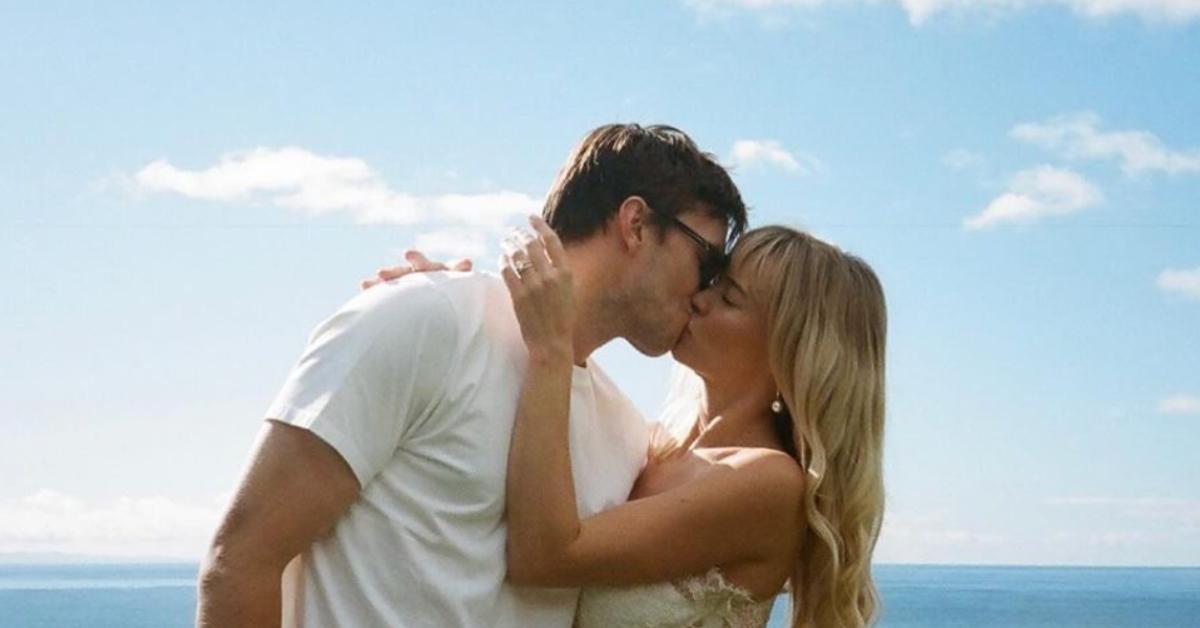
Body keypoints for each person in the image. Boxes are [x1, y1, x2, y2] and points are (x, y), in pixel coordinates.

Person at [194, 123, 748, 627]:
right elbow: (240, 561)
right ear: (636, 225)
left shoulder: (628, 435)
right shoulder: (427, 321)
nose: (707, 290)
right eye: (708, 259)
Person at [496, 220, 888, 627]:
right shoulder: (652, 444)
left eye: (729, 298)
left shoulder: (768, 482)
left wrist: (551, 349)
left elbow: (544, 557)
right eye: (712, 282)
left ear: (789, 353)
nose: (699, 299)